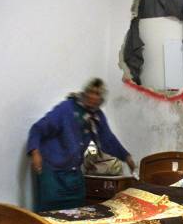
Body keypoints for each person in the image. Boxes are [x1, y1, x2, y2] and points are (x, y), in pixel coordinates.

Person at [27, 78, 136, 212]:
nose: (93, 97)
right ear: (85, 93)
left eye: (98, 94)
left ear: (101, 99)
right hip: (52, 170)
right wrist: (35, 151)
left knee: (77, 210)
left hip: (73, 171)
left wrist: (126, 157)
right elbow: (37, 129)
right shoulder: (66, 108)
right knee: (50, 214)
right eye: (91, 92)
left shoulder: (96, 116)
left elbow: (108, 140)